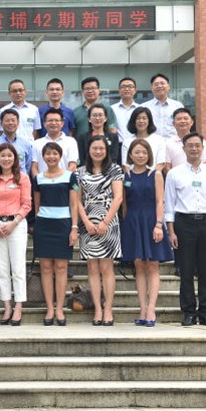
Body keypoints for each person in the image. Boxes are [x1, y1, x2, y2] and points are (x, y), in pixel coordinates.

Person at [165, 132, 206, 327]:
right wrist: (171, 231)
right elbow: (169, 205)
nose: (194, 149)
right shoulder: (174, 174)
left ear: (202, 148)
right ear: (184, 149)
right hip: (184, 223)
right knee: (186, 270)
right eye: (190, 145)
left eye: (197, 145)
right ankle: (189, 312)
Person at [121, 138, 173, 327]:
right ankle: (142, 308)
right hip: (133, 222)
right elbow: (124, 203)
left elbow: (160, 201)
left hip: (151, 221)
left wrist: (159, 224)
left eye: (144, 152)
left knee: (152, 265)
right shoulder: (125, 176)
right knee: (138, 265)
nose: (140, 155)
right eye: (137, 152)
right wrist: (126, 225)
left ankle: (151, 308)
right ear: (130, 155)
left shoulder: (155, 174)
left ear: (149, 154)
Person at [77, 135, 124, 327]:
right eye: (94, 148)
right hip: (87, 222)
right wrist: (86, 221)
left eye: (101, 148)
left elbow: (118, 198)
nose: (98, 151)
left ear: (107, 150)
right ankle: (97, 308)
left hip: (108, 221)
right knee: (92, 268)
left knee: (106, 268)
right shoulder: (79, 172)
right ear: (88, 150)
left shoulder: (115, 169)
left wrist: (105, 221)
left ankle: (108, 309)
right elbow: (76, 200)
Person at [0, 143, 32, 326]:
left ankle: (18, 306)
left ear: (15, 158)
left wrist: (14, 223)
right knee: (2, 268)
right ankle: (7, 306)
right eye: (2, 156)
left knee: (18, 267)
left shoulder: (23, 178)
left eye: (9, 156)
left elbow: (26, 204)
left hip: (16, 225)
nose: (6, 159)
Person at [33, 142, 79, 326]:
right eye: (48, 154)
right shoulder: (38, 178)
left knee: (61, 268)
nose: (51, 157)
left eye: (55, 153)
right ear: (43, 157)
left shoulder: (70, 176)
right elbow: (37, 206)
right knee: (45, 268)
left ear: (60, 156)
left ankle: (59, 308)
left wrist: (74, 228)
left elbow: (74, 204)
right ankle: (49, 308)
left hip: (63, 224)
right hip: (44, 225)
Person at [31, 108, 79, 177]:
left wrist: (61, 180)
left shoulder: (71, 142)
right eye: (50, 120)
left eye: (56, 120)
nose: (53, 123)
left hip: (65, 181)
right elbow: (34, 167)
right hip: (42, 182)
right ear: (44, 124)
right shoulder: (36, 143)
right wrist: (38, 181)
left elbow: (73, 165)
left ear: (62, 123)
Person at [165, 107, 206, 174]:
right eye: (179, 119)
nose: (183, 121)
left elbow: (205, 162)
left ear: (191, 122)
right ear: (173, 123)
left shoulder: (200, 141)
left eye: (185, 118)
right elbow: (167, 166)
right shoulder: (168, 143)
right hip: (177, 178)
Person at [0, 109, 32, 175]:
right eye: (7, 120)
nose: (10, 123)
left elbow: (27, 167)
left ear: (18, 123)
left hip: (20, 180)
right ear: (1, 123)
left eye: (13, 120)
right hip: (0, 180)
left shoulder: (26, 144)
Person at [121, 106, 165, 171]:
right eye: (138, 118)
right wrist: (130, 175)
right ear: (133, 121)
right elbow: (125, 165)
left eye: (144, 118)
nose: (141, 121)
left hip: (153, 175)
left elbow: (161, 163)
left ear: (149, 121)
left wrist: (153, 175)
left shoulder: (159, 140)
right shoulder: (127, 141)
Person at [142, 73, 183, 140]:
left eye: (162, 83)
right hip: (151, 143)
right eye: (156, 84)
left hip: (173, 143)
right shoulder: (144, 107)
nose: (159, 86)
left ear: (168, 86)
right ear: (152, 88)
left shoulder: (178, 106)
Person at [111, 77, 140, 144]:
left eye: (130, 86)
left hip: (137, 145)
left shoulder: (141, 109)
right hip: (118, 145)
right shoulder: (112, 109)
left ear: (135, 90)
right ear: (119, 90)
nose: (127, 89)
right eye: (123, 87)